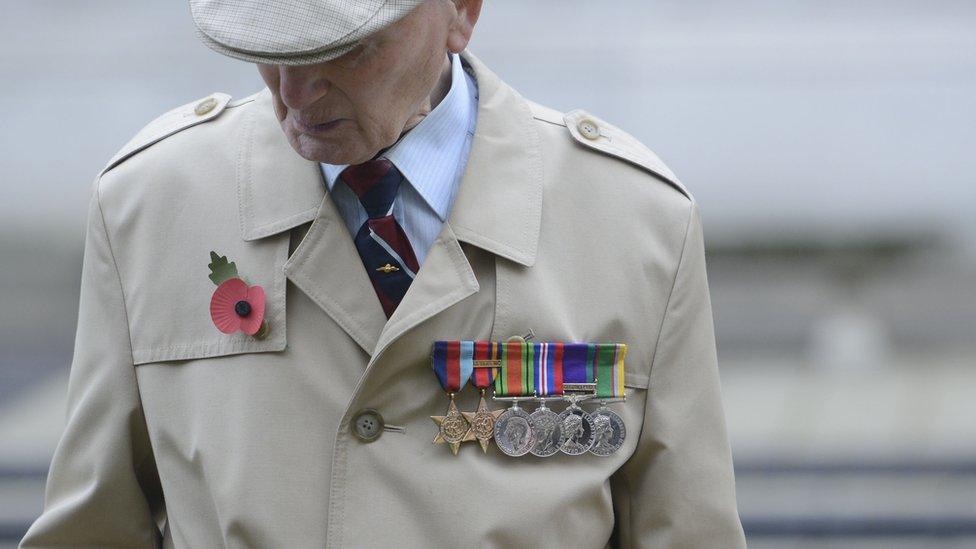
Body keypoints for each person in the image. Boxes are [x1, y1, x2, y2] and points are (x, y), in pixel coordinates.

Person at [21, 0, 746, 547]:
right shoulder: (147, 207)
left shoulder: (636, 222)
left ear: (461, 12)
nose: (297, 92)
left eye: (349, 48)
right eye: (269, 48)